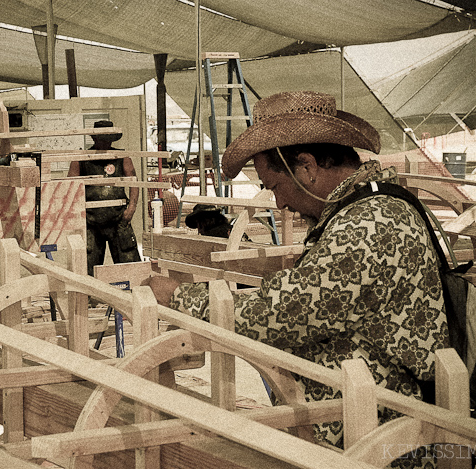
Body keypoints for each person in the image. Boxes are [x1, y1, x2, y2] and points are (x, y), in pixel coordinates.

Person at [145, 91, 449, 462]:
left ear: (305, 166)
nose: (279, 204)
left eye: (274, 186)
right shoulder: (361, 209)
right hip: (365, 427)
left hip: (382, 440)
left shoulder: (369, 225)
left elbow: (290, 311)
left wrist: (179, 296)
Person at [67, 120, 141, 276]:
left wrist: (132, 207)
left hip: (119, 218)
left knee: (130, 266)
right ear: (94, 138)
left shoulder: (122, 156)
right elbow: (70, 187)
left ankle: (134, 296)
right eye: (102, 138)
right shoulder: (81, 158)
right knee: (87, 267)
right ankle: (87, 297)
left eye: (108, 138)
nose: (105, 142)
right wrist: (78, 215)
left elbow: (134, 181)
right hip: (91, 221)